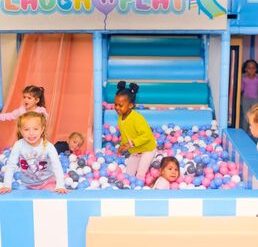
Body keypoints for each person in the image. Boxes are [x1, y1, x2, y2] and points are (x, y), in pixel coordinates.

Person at [0, 112, 67, 194]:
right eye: (26, 129)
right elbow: (11, 165)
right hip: (26, 184)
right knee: (19, 195)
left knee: (52, 194)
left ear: (42, 129)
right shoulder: (18, 145)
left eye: (35, 129)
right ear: (21, 130)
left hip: (46, 182)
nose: (31, 133)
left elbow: (56, 165)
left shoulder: (48, 146)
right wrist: (7, 185)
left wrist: (60, 185)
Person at [115, 81, 157, 181]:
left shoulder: (137, 118)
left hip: (147, 149)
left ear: (130, 105)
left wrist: (131, 144)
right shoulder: (120, 118)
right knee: (128, 176)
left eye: (120, 105)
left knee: (140, 175)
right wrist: (123, 145)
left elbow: (147, 135)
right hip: (135, 152)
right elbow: (125, 134)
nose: (117, 108)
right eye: (115, 104)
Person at [241, 59, 258, 132]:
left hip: (255, 99)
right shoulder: (243, 78)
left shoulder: (257, 78)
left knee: (254, 115)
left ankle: (253, 132)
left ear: (256, 69)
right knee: (246, 116)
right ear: (245, 69)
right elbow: (241, 89)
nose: (251, 70)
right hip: (246, 99)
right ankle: (244, 132)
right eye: (249, 68)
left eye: (253, 68)